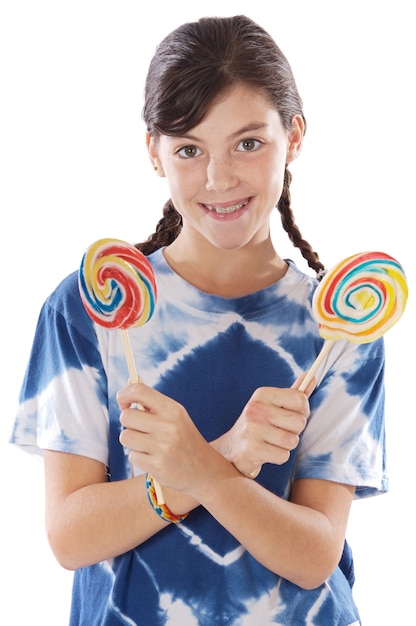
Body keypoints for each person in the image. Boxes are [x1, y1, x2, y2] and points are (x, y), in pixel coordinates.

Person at [11, 15, 386, 626]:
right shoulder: (92, 308)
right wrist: (225, 459)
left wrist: (205, 470)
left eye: (249, 142)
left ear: (293, 138)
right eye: (190, 148)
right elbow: (69, 537)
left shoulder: (338, 329)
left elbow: (316, 556)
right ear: (154, 152)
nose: (219, 178)